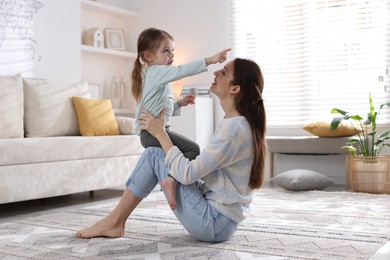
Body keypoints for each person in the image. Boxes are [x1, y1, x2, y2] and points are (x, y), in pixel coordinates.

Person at [76, 58, 266, 243]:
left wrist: (161, 134)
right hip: (222, 220)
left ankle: (114, 222)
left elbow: (188, 173)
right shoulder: (236, 124)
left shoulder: (234, 129)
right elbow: (199, 171)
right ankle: (116, 220)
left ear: (235, 89)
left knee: (153, 154)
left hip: (213, 223)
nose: (216, 72)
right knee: (160, 155)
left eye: (223, 72)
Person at [131, 28, 231, 209]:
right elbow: (181, 70)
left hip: (156, 131)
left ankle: (173, 180)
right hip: (151, 133)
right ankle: (171, 181)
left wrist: (179, 104)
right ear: (148, 56)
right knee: (193, 148)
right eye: (166, 50)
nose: (171, 55)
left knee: (184, 151)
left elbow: (162, 107)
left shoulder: (158, 76)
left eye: (172, 51)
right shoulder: (155, 72)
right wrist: (210, 60)